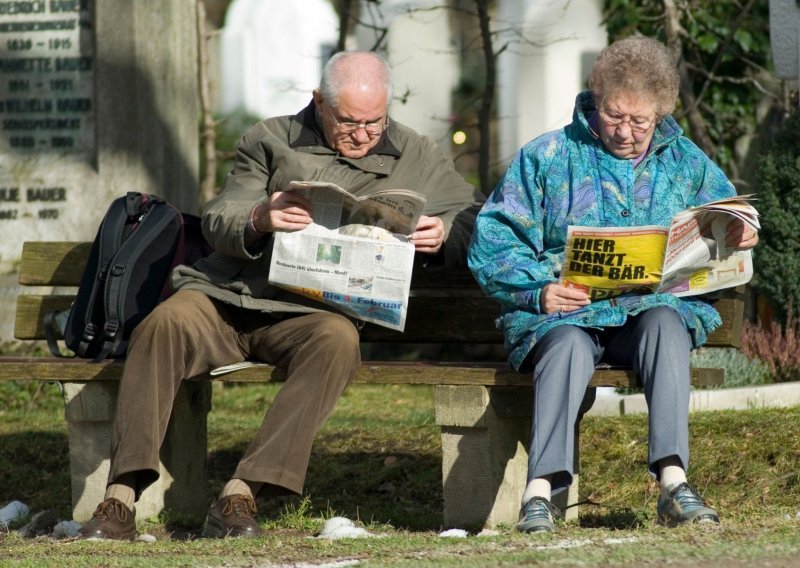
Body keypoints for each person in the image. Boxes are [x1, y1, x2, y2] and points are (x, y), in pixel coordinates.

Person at [78, 51, 484, 540]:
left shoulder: (417, 154)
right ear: (318, 103)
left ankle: (241, 491)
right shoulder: (269, 138)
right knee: (163, 325)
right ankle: (120, 495)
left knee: (338, 342)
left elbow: (475, 216)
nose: (362, 135)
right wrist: (259, 217)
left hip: (312, 315)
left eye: (374, 123)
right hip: (228, 296)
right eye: (349, 122)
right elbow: (220, 215)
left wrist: (444, 235)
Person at [467, 36, 758, 533]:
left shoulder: (685, 161)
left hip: (646, 313)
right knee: (566, 347)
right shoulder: (549, 156)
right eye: (613, 116)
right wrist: (538, 291)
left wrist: (742, 226)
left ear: (661, 114)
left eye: (639, 121)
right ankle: (541, 491)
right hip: (564, 314)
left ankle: (673, 483)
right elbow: (493, 240)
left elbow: (730, 209)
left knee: (667, 324)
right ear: (595, 101)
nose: (625, 131)